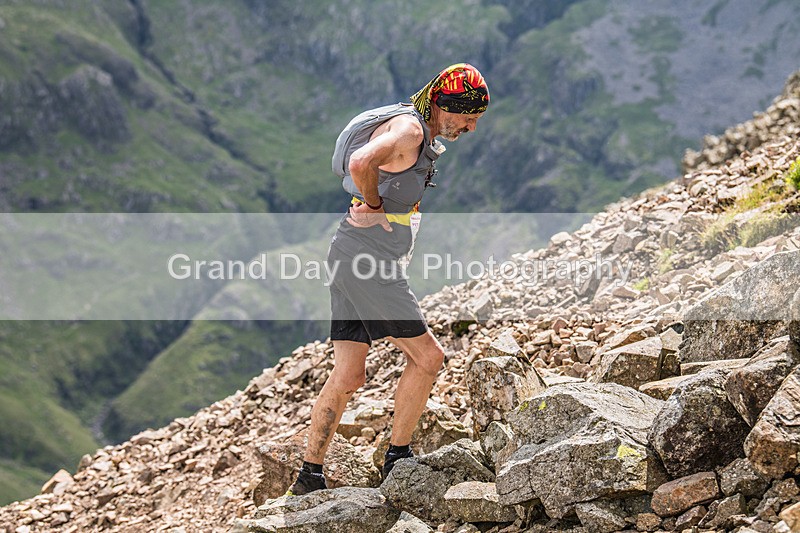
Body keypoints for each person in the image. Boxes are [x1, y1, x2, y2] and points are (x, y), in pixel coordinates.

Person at [287, 63, 490, 496]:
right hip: (368, 262)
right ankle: (397, 458)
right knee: (429, 359)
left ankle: (310, 475)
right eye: (467, 117)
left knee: (348, 376)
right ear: (443, 106)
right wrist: (375, 204)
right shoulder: (411, 132)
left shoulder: (417, 128)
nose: (471, 127)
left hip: (349, 254)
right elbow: (362, 161)